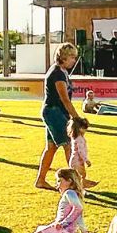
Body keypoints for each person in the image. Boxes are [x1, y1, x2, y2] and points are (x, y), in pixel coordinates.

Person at [34, 44, 83, 190]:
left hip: (55, 112)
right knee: (68, 146)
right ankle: (76, 183)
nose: (74, 60)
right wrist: (77, 118)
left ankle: (41, 180)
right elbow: (65, 99)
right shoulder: (57, 74)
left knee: (51, 147)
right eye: (72, 57)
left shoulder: (62, 72)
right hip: (54, 112)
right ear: (64, 57)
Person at [24, 168, 84, 233]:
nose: (57, 185)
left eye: (59, 181)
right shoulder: (74, 194)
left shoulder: (69, 193)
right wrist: (84, 232)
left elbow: (78, 208)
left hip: (60, 229)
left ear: (69, 181)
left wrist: (63, 223)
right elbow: (79, 214)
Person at [65, 116, 94, 190]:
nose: (85, 131)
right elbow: (80, 151)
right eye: (84, 129)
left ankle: (78, 188)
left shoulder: (75, 137)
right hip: (77, 161)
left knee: (78, 176)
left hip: (75, 160)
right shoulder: (79, 139)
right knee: (81, 176)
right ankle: (80, 189)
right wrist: (86, 160)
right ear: (79, 128)